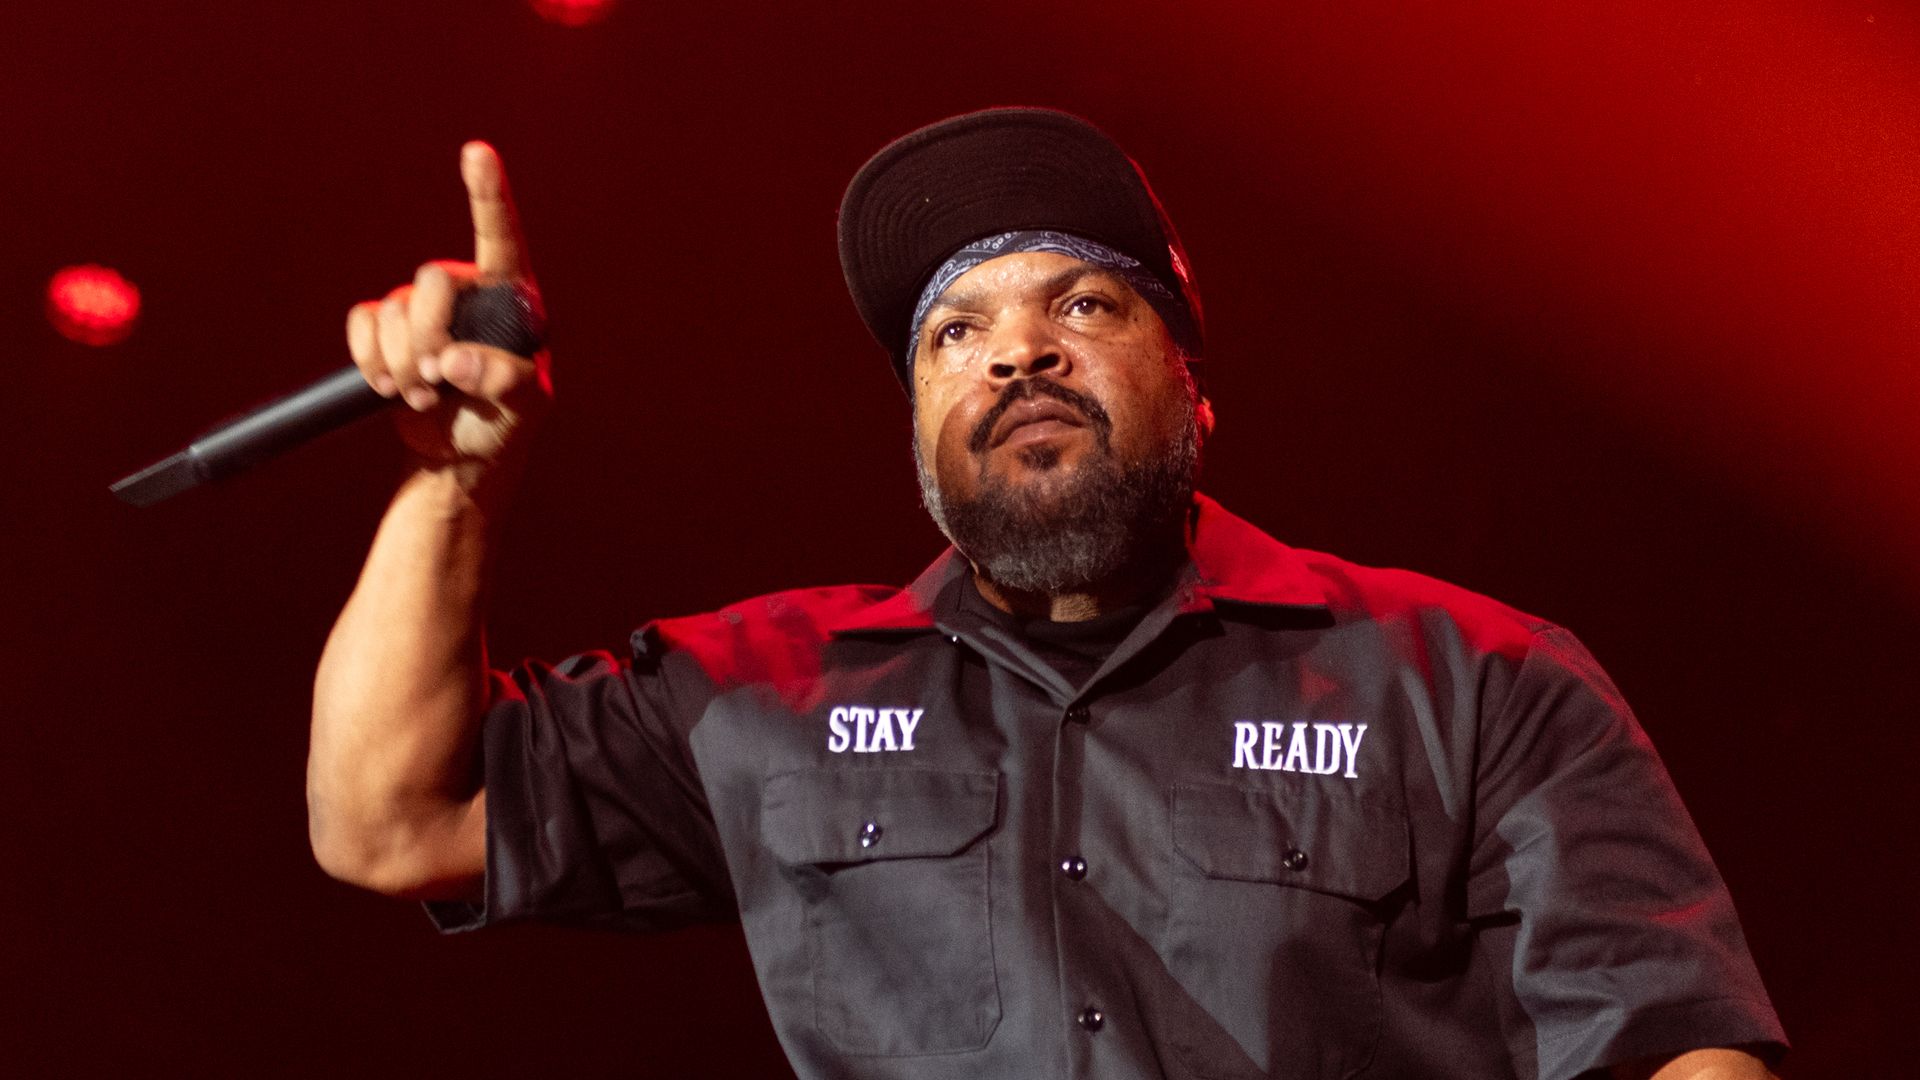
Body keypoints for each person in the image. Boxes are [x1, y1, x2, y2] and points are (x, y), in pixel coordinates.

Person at [307, 108, 1788, 1079]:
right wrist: (458, 480)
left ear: (1194, 386)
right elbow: (389, 822)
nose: (1015, 352)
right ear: (914, 426)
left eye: (1082, 303)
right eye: (955, 331)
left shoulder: (1474, 678)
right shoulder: (768, 694)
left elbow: (1679, 1047)